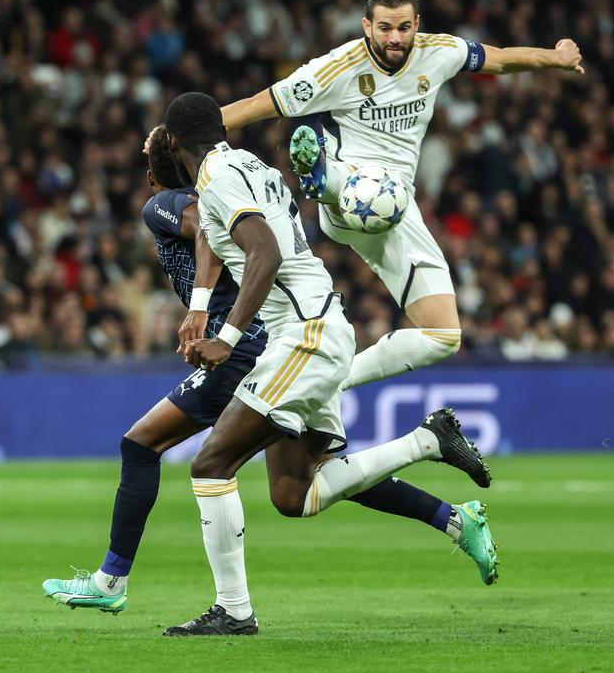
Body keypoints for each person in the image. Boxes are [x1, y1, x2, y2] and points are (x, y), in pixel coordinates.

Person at [42, 127, 497, 626]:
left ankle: (116, 581)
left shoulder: (165, 203)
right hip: (283, 336)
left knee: (147, 446)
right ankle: (448, 504)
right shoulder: (233, 185)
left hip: (246, 350)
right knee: (298, 489)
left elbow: (204, 225)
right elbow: (215, 227)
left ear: (154, 173)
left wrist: (201, 309)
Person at [157, 92, 496, 637]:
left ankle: (234, 611)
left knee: (211, 465)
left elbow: (263, 252)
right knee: (294, 495)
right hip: (316, 328)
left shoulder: (218, 179)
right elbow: (221, 237)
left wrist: (227, 337)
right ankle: (426, 442)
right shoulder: (248, 166)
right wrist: (199, 307)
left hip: (305, 336)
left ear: (173, 142)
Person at [218, 0, 585, 390]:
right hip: (350, 192)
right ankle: (322, 178)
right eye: (385, 28)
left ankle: (330, 383)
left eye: (404, 27)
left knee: (444, 336)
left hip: (397, 207)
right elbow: (256, 105)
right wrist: (183, 132)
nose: (395, 37)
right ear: (366, 26)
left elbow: (498, 60)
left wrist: (555, 57)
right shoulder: (338, 67)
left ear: (417, 24)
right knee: (365, 188)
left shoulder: (439, 52)